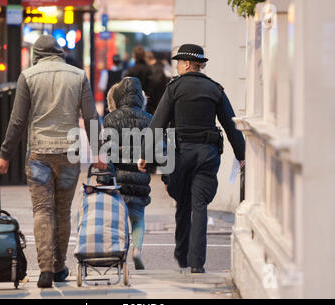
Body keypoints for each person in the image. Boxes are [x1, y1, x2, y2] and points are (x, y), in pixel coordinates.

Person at [0, 35, 106, 288]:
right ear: (60, 53)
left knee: (42, 210)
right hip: (69, 153)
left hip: (39, 154)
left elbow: (18, 120)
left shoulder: (28, 76)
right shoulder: (78, 75)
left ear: (36, 55)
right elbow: (91, 116)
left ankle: (44, 269)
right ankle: (57, 266)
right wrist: (99, 152)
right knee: (62, 212)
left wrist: (4, 155)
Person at [138, 44, 246, 273]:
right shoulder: (215, 89)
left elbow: (157, 123)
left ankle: (182, 254)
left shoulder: (174, 88)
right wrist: (242, 155)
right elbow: (231, 124)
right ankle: (197, 263)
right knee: (200, 206)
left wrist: (145, 156)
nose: (176, 66)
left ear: (187, 64)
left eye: (178, 62)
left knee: (183, 203)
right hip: (207, 155)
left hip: (179, 155)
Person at [98, 77, 153, 270]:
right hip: (140, 177)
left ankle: (120, 254)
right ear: (140, 96)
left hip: (118, 178)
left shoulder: (110, 119)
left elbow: (107, 152)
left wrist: (102, 178)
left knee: (119, 220)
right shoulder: (149, 119)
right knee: (138, 218)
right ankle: (137, 251)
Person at [145, 51, 169, 115]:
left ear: (147, 59)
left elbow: (154, 87)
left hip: (154, 102)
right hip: (161, 101)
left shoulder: (153, 69)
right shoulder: (161, 67)